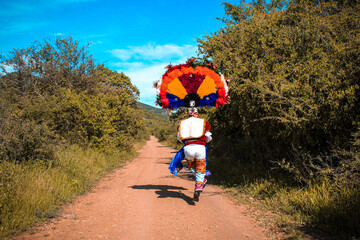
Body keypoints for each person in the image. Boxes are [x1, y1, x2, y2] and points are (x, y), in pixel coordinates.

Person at [177, 104, 212, 201]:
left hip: (188, 148)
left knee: (192, 166)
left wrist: (186, 143)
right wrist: (205, 142)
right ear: (196, 113)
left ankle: (201, 180)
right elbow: (208, 136)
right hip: (200, 147)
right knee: (200, 167)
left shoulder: (182, 123)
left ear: (188, 113)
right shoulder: (203, 121)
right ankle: (198, 186)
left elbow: (179, 137)